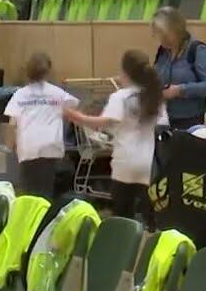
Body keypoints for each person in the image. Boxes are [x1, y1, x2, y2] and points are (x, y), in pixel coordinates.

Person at [64, 50, 167, 222]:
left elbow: (102, 123)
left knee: (122, 214)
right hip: (148, 163)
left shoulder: (120, 97)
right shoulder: (155, 96)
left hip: (125, 161)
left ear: (125, 72)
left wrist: (75, 116)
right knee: (150, 215)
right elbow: (162, 126)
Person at [4, 52, 77, 199]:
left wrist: (11, 144)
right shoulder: (57, 93)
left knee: (28, 190)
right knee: (46, 189)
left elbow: (12, 123)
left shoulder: (20, 94)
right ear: (48, 70)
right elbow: (73, 108)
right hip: (50, 145)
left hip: (28, 145)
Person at [152, 7, 206, 131]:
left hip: (190, 121)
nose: (162, 39)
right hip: (163, 119)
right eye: (158, 34)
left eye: (165, 34)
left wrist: (180, 90)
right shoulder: (163, 52)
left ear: (177, 30)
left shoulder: (197, 50)